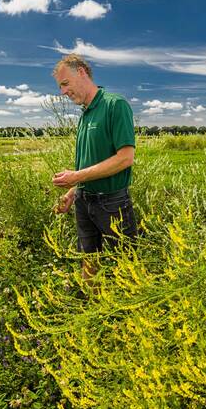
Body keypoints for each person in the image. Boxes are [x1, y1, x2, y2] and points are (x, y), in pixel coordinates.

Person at [52, 54, 138, 279]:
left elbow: (125, 158)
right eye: (60, 87)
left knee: (127, 264)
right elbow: (90, 163)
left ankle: (130, 310)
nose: (63, 92)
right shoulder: (85, 115)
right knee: (88, 261)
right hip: (84, 200)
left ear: (81, 72)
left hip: (112, 203)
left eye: (65, 84)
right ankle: (92, 307)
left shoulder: (114, 105)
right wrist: (73, 191)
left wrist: (76, 176)